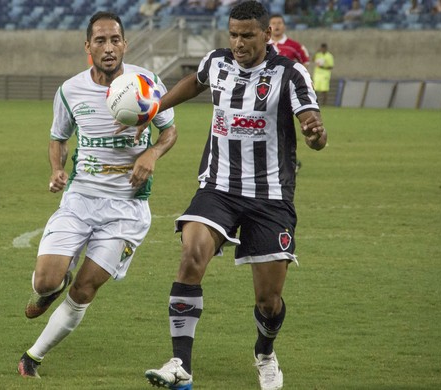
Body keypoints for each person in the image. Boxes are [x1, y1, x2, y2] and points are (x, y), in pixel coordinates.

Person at [140, 1, 327, 389]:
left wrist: (315, 133)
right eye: (233, 35)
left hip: (270, 195)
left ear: (267, 35)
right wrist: (157, 105)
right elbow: (196, 81)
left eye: (247, 35)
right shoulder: (217, 62)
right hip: (218, 187)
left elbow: (313, 126)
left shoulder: (290, 74)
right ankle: (180, 364)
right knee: (191, 254)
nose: (238, 43)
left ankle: (265, 353)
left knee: (268, 302)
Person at [17, 11, 178, 379]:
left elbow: (169, 132)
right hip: (80, 199)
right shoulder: (70, 90)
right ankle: (52, 287)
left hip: (127, 208)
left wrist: (152, 152)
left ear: (125, 44)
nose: (109, 48)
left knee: (85, 288)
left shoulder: (146, 82)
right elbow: (58, 138)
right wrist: (57, 170)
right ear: (87, 46)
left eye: (115, 40)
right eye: (100, 41)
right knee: (45, 281)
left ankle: (32, 358)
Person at [268, 13, 308, 173]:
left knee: (284, 128)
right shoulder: (262, 45)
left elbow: (305, 64)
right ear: (268, 27)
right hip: (265, 94)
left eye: (279, 23)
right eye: (273, 23)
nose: (277, 26)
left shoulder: (294, 46)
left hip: (286, 95)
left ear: (284, 26)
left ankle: (291, 161)